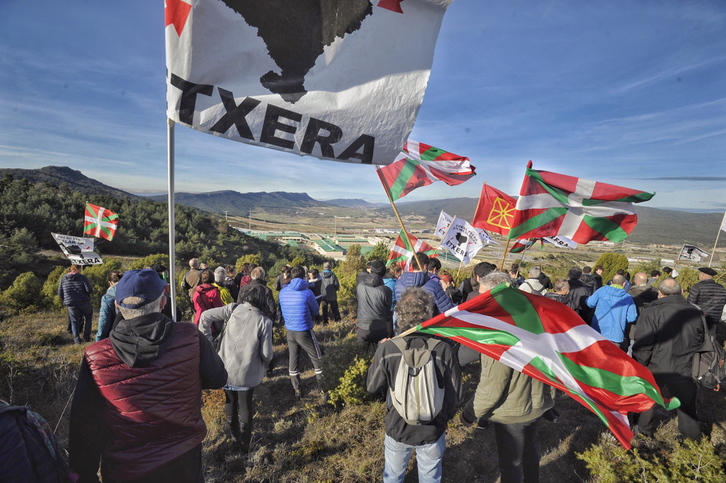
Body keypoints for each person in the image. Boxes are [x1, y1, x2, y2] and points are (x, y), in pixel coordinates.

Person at [68, 269, 227, 483]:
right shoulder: (190, 336)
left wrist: (84, 474)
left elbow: (85, 423)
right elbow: (218, 378)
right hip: (184, 459)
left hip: (125, 468)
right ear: (162, 303)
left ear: (117, 305)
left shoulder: (96, 356)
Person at [460, 271, 556, 483]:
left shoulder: (497, 332)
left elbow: (493, 387)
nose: (479, 299)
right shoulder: (534, 317)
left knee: (511, 464)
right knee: (530, 452)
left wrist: (469, 414)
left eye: (484, 295)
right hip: (536, 403)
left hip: (512, 411)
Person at [366, 287, 461, 483]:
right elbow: (455, 393)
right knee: (430, 477)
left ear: (399, 315)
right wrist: (444, 417)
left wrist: (379, 355)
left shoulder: (388, 348)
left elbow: (372, 386)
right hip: (433, 427)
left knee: (393, 476)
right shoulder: (443, 349)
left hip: (397, 426)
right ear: (429, 314)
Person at [199, 288, 273, 456]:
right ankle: (245, 446)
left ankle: (234, 439)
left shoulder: (232, 309)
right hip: (247, 372)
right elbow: (267, 354)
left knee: (230, 404)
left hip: (224, 369)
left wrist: (208, 344)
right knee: (246, 406)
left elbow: (205, 316)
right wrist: (265, 363)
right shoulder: (264, 322)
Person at [632, 278, 705, 440]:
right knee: (686, 405)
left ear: (659, 293)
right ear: (682, 292)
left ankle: (643, 432)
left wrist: (639, 365)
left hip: (656, 366)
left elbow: (644, 343)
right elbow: (702, 340)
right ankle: (691, 439)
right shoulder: (696, 312)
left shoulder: (651, 312)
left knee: (648, 399)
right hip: (685, 366)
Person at [279, 266, 324, 398]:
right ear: (304, 276)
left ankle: (297, 389)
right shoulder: (307, 293)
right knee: (317, 359)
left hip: (290, 330)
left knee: (293, 359)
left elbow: (282, 310)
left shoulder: (283, 292)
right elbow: (315, 311)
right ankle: (323, 389)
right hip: (304, 329)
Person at [586, 274, 637, 351]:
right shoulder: (628, 297)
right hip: (616, 334)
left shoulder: (602, 291)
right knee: (612, 360)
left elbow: (590, 303)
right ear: (624, 284)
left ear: (611, 282)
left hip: (598, 331)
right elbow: (632, 317)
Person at [356, 260, 393, 344]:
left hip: (362, 327)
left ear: (371, 270)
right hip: (380, 328)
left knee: (362, 355)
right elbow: (388, 313)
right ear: (383, 273)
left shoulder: (360, 286)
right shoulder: (386, 290)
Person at [58, 265, 93, 344]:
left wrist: (66, 299)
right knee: (88, 318)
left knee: (74, 321)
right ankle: (86, 337)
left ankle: (77, 340)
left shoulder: (63, 278)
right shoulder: (83, 277)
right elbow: (89, 290)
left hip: (71, 303)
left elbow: (60, 292)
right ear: (79, 269)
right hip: (84, 301)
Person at [687, 267, 726, 337]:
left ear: (702, 275)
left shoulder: (697, 287)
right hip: (714, 319)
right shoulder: (721, 288)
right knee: (710, 340)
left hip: (699, 319)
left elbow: (690, 304)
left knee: (696, 339)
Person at [96, 270, 122, 341]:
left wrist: (99, 340)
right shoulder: (134, 290)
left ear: (110, 283)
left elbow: (104, 322)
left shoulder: (107, 297)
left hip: (115, 335)